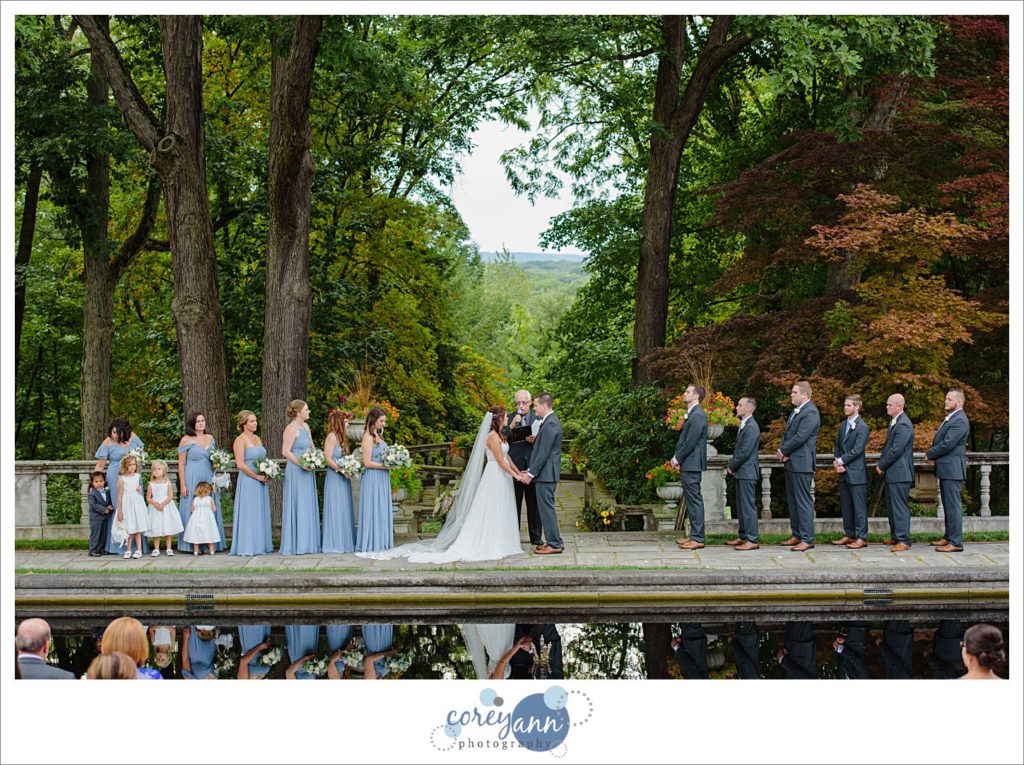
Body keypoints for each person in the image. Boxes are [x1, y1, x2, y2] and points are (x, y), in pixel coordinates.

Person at [357, 407, 525, 563]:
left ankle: (502, 541)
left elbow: (508, 457)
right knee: (491, 509)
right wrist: (517, 476)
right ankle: (490, 543)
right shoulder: (492, 437)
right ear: (498, 419)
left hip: (504, 476)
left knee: (502, 508)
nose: (507, 418)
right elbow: (501, 461)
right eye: (505, 416)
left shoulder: (501, 435)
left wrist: (518, 472)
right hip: (495, 475)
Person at [776, 381, 821, 552]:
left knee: (803, 502)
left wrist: (783, 450)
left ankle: (807, 538)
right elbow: (789, 435)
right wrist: (783, 450)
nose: (791, 395)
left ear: (804, 395)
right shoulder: (797, 412)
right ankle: (797, 535)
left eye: (794, 392)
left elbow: (801, 437)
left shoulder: (810, 413)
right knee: (793, 501)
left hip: (802, 463)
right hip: (792, 461)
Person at [94, 417, 148, 555]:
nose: (114, 435)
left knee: (135, 509)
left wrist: (138, 476)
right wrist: (94, 482)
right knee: (120, 508)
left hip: (133, 478)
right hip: (115, 477)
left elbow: (140, 458)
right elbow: (100, 465)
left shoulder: (133, 438)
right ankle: (118, 545)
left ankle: (138, 547)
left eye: (116, 432)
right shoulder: (107, 442)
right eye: (112, 432)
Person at [926, 389, 970, 552]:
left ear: (959, 402)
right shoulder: (952, 418)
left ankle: (956, 542)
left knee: (953, 505)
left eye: (949, 399)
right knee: (947, 504)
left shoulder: (960, 420)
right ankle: (948, 537)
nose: (945, 401)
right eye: (946, 399)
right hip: (946, 468)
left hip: (952, 469)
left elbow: (948, 443)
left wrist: (930, 453)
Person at [177, 412, 226, 553]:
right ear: (192, 424)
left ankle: (211, 543)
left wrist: (220, 462)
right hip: (192, 476)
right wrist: (183, 484)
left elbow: (214, 458)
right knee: (192, 507)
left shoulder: (210, 438)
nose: (201, 423)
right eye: (198, 421)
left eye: (203, 420)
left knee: (209, 506)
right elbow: (181, 464)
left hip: (208, 475)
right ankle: (191, 545)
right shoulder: (186, 440)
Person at [522, 393, 565, 554]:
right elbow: (542, 447)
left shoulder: (550, 424)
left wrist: (530, 473)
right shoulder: (549, 422)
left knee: (546, 510)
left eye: (536, 405)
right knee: (547, 509)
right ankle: (556, 541)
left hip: (546, 475)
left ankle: (553, 544)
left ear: (545, 405)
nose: (534, 408)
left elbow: (543, 454)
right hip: (546, 474)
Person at [280, 399, 322, 555]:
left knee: (307, 503)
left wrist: (315, 457)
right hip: (296, 470)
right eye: (306, 409)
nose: (309, 411)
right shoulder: (291, 428)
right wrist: (301, 464)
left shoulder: (306, 426)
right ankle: (296, 544)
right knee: (298, 503)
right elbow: (285, 451)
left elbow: (311, 446)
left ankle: (309, 543)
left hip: (307, 468)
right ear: (298, 412)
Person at [230, 410, 274, 556]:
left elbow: (262, 459)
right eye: (252, 421)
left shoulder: (258, 439)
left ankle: (260, 545)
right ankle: (248, 546)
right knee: (250, 513)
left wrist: (267, 472)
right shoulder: (240, 440)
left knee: (260, 512)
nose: (255, 423)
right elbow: (240, 465)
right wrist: (256, 476)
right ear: (243, 424)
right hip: (249, 481)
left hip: (261, 480)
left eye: (255, 421)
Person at [503, 389, 543, 547]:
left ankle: (536, 537)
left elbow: (546, 440)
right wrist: (513, 426)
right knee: (514, 503)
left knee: (534, 504)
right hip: (515, 467)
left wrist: (536, 440)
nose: (521, 406)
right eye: (518, 403)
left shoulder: (538, 417)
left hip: (533, 466)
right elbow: (502, 438)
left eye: (523, 402)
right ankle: (513, 537)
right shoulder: (511, 418)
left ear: (530, 402)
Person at [672, 385, 709, 551]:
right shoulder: (693, 414)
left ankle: (698, 538)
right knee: (691, 499)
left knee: (694, 500)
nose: (684, 393)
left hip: (692, 463)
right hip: (689, 462)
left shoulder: (698, 415)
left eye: (687, 391)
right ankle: (694, 535)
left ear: (696, 396)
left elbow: (691, 441)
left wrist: (677, 458)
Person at [877, 393, 915, 552]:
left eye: (890, 404)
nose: (887, 406)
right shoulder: (895, 422)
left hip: (900, 473)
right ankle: (895, 536)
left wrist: (882, 465)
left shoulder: (904, 424)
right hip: (894, 473)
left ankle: (903, 540)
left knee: (899, 506)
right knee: (892, 506)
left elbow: (896, 450)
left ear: (899, 406)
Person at [832, 394, 870, 549]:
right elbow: (837, 445)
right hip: (843, 471)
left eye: (848, 405)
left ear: (857, 407)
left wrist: (841, 460)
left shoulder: (863, 427)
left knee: (859, 507)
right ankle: (849, 534)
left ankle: (862, 537)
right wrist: (837, 462)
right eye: (845, 405)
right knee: (846, 505)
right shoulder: (843, 425)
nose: (845, 408)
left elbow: (857, 450)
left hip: (856, 472)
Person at [355, 406, 393, 553]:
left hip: (382, 478)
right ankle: (371, 542)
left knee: (381, 508)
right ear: (374, 420)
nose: (383, 424)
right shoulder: (367, 438)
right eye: (381, 421)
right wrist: (386, 466)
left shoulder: (378, 436)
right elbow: (367, 462)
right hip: (373, 477)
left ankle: (381, 540)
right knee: (373, 508)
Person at [726, 397, 760, 551]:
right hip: (742, 472)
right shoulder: (744, 424)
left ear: (748, 408)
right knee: (741, 506)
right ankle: (743, 536)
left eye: (740, 405)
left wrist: (732, 465)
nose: (736, 407)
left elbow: (745, 452)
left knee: (748, 506)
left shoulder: (752, 427)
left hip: (747, 472)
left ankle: (752, 539)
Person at [322, 408, 356, 553]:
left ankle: (345, 542)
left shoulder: (342, 438)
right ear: (339, 423)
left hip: (343, 478)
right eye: (346, 422)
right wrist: (342, 470)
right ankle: (335, 543)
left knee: (344, 508)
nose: (348, 425)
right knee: (336, 508)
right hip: (335, 478)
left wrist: (349, 468)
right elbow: (327, 459)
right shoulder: (332, 437)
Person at [145, 459, 183, 556]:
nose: (156, 471)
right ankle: (156, 549)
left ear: (164, 471)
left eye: (159, 469)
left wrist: (162, 504)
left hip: (166, 507)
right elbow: (148, 498)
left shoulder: (167, 483)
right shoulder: (151, 484)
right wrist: (155, 503)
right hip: (155, 507)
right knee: (156, 527)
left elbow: (170, 496)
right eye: (154, 469)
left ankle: (169, 548)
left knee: (167, 527)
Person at [117, 455, 149, 560]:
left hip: (137, 503)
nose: (132, 467)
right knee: (129, 527)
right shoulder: (122, 479)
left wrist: (139, 490)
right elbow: (120, 496)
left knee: (137, 527)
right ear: (125, 466)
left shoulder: (137, 476)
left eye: (134, 464)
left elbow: (139, 489)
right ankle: (128, 549)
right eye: (129, 465)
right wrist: (120, 511)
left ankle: (139, 550)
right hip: (127, 504)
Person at [182, 482, 221, 556]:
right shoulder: (210, 499)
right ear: (208, 490)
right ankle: (211, 551)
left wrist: (198, 511)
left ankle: (196, 551)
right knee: (210, 533)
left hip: (196, 519)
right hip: (207, 519)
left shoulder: (195, 499)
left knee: (196, 535)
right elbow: (214, 509)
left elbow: (192, 509)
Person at [86, 470, 113, 557]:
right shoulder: (92, 493)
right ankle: (93, 549)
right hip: (96, 518)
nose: (99, 483)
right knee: (96, 534)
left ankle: (101, 548)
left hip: (104, 517)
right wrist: (104, 509)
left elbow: (107, 502)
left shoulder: (106, 491)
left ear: (104, 481)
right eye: (96, 481)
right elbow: (93, 505)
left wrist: (109, 506)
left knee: (103, 534)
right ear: (92, 483)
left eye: (101, 481)